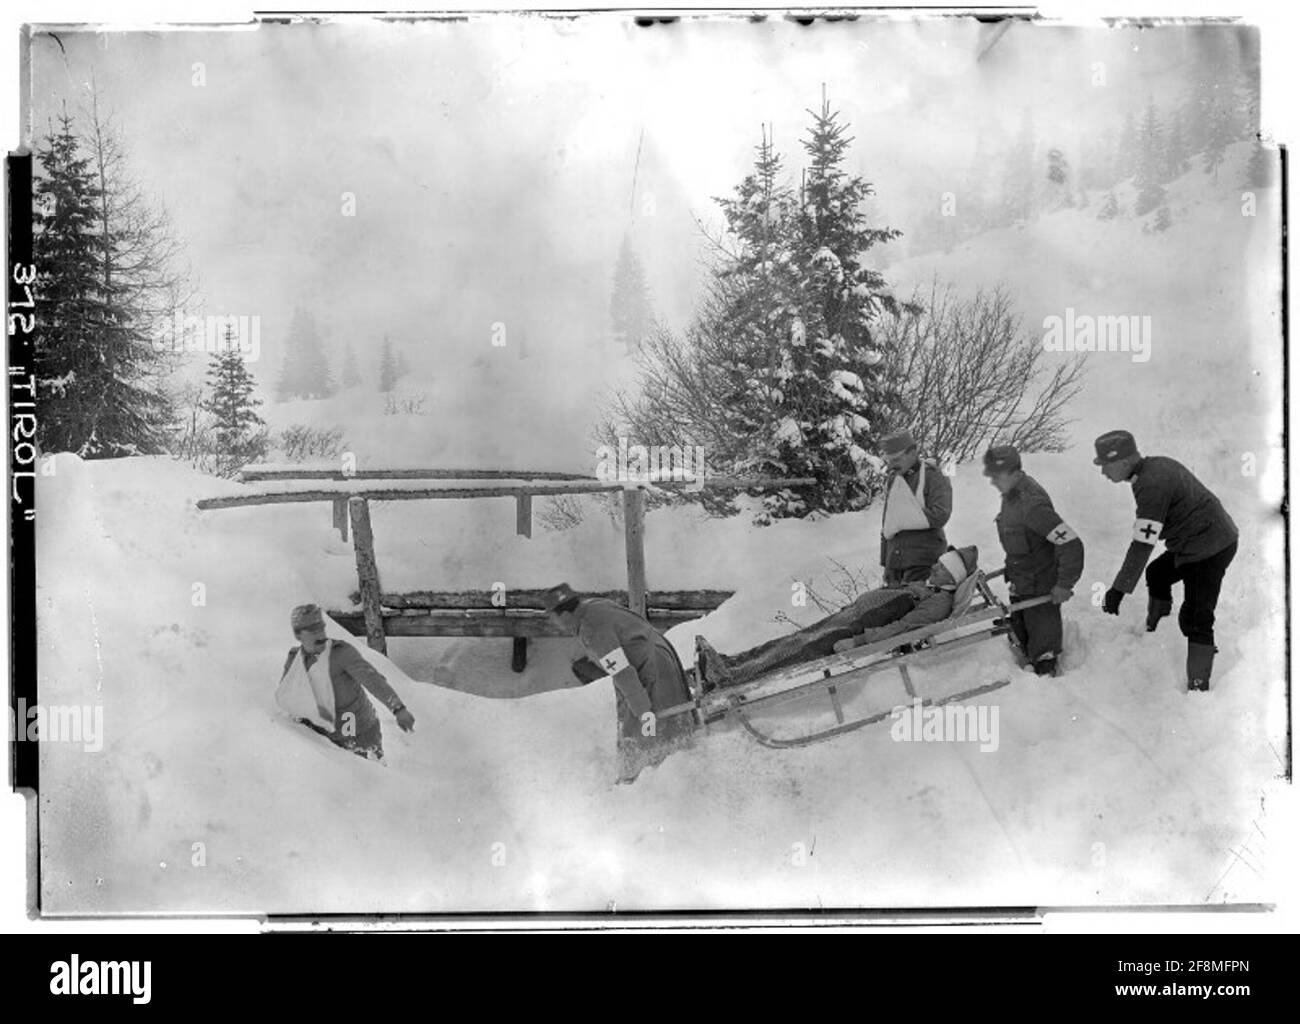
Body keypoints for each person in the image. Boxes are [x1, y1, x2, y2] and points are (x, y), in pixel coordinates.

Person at [695, 545, 979, 689]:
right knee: (793, 640)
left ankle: (731, 679)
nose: (935, 566)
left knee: (799, 651)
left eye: (942, 566)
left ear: (953, 577)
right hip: (851, 616)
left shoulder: (939, 603)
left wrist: (858, 642)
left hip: (857, 629)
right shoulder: (931, 588)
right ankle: (731, 663)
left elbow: (903, 629)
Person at [1093, 430, 1238, 691]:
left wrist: (1119, 588)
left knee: (1196, 618)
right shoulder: (1153, 467)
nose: (1103, 472)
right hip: (1195, 541)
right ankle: (1157, 631)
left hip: (1210, 548)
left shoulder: (1150, 484)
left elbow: (1143, 542)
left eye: (1105, 466)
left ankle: (1198, 685)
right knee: (1158, 574)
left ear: (1123, 462)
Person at [544, 583, 693, 783]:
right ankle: (651, 772)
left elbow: (623, 672)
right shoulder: (593, 606)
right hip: (657, 654)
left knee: (641, 723)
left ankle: (636, 780)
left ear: (562, 615)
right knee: (648, 715)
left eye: (552, 617)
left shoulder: (592, 629)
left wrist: (643, 711)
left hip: (651, 667)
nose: (555, 623)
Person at [984, 445, 1085, 677]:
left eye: (997, 477)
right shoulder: (1011, 496)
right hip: (1023, 584)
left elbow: (1071, 544)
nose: (993, 482)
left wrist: (1064, 584)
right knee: (1024, 645)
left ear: (1015, 473)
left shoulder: (1032, 505)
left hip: (1041, 589)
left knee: (1043, 656)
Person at [275, 604, 416, 760]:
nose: (320, 634)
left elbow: (372, 679)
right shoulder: (295, 660)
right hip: (321, 734)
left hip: (357, 730)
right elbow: (289, 694)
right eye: (312, 631)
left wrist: (398, 708)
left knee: (368, 776)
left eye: (321, 628)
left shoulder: (341, 653)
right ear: (298, 635)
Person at [878, 429, 953, 585]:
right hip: (895, 563)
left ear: (912, 453)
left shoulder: (934, 475)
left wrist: (905, 516)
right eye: (889, 461)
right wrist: (886, 563)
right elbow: (888, 524)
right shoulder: (893, 480)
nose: (891, 465)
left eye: (896, 460)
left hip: (923, 561)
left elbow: (941, 515)